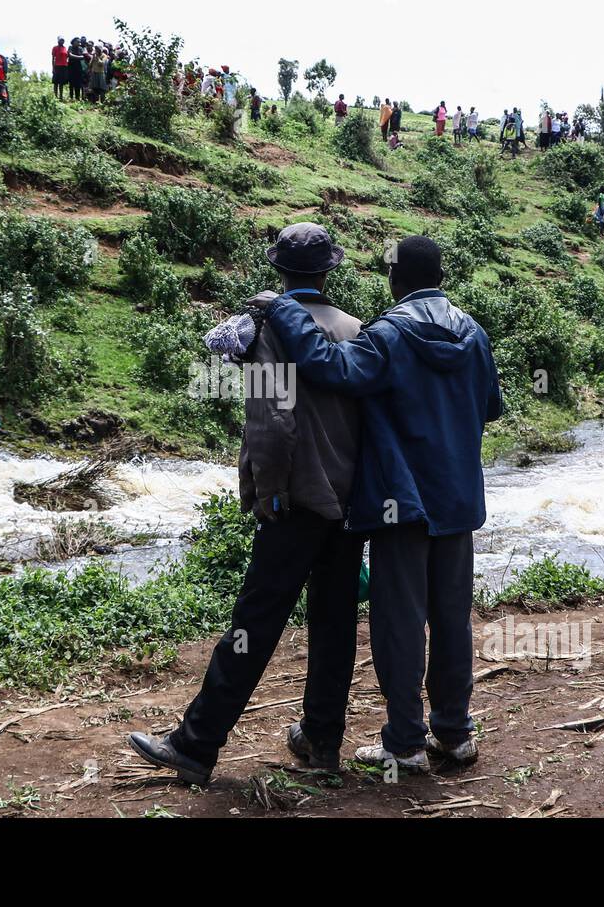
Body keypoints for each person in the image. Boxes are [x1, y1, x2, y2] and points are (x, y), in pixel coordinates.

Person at [128, 223, 367, 786]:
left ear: (280, 271)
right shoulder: (357, 330)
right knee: (333, 626)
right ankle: (323, 743)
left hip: (294, 504)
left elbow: (273, 423)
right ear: (328, 270)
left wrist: (268, 492)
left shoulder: (270, 335)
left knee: (252, 627)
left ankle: (197, 743)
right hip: (346, 507)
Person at [259, 236, 503, 773]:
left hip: (402, 503)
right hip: (457, 501)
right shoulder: (475, 334)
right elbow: (490, 407)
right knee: (452, 618)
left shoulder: (389, 334)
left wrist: (283, 310)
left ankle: (405, 743)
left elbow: (330, 367)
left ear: (395, 279)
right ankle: (455, 734)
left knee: (400, 620)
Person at [51, 35, 68, 100]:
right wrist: (53, 68)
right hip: (57, 66)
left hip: (64, 66)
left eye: (63, 40)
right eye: (61, 40)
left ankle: (61, 96)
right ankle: (55, 96)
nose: (62, 41)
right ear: (58, 41)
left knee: (61, 82)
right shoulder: (55, 48)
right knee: (56, 82)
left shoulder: (65, 48)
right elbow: (53, 58)